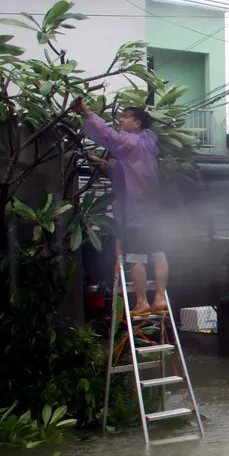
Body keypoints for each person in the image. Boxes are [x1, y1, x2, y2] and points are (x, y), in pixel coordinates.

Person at [72, 100, 168, 317]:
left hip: (136, 212)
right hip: (154, 212)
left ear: (137, 123)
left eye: (125, 116)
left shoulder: (130, 141)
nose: (120, 120)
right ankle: (160, 297)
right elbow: (124, 171)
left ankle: (142, 301)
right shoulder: (147, 145)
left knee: (135, 257)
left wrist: (87, 111)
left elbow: (107, 136)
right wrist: (101, 163)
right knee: (158, 253)